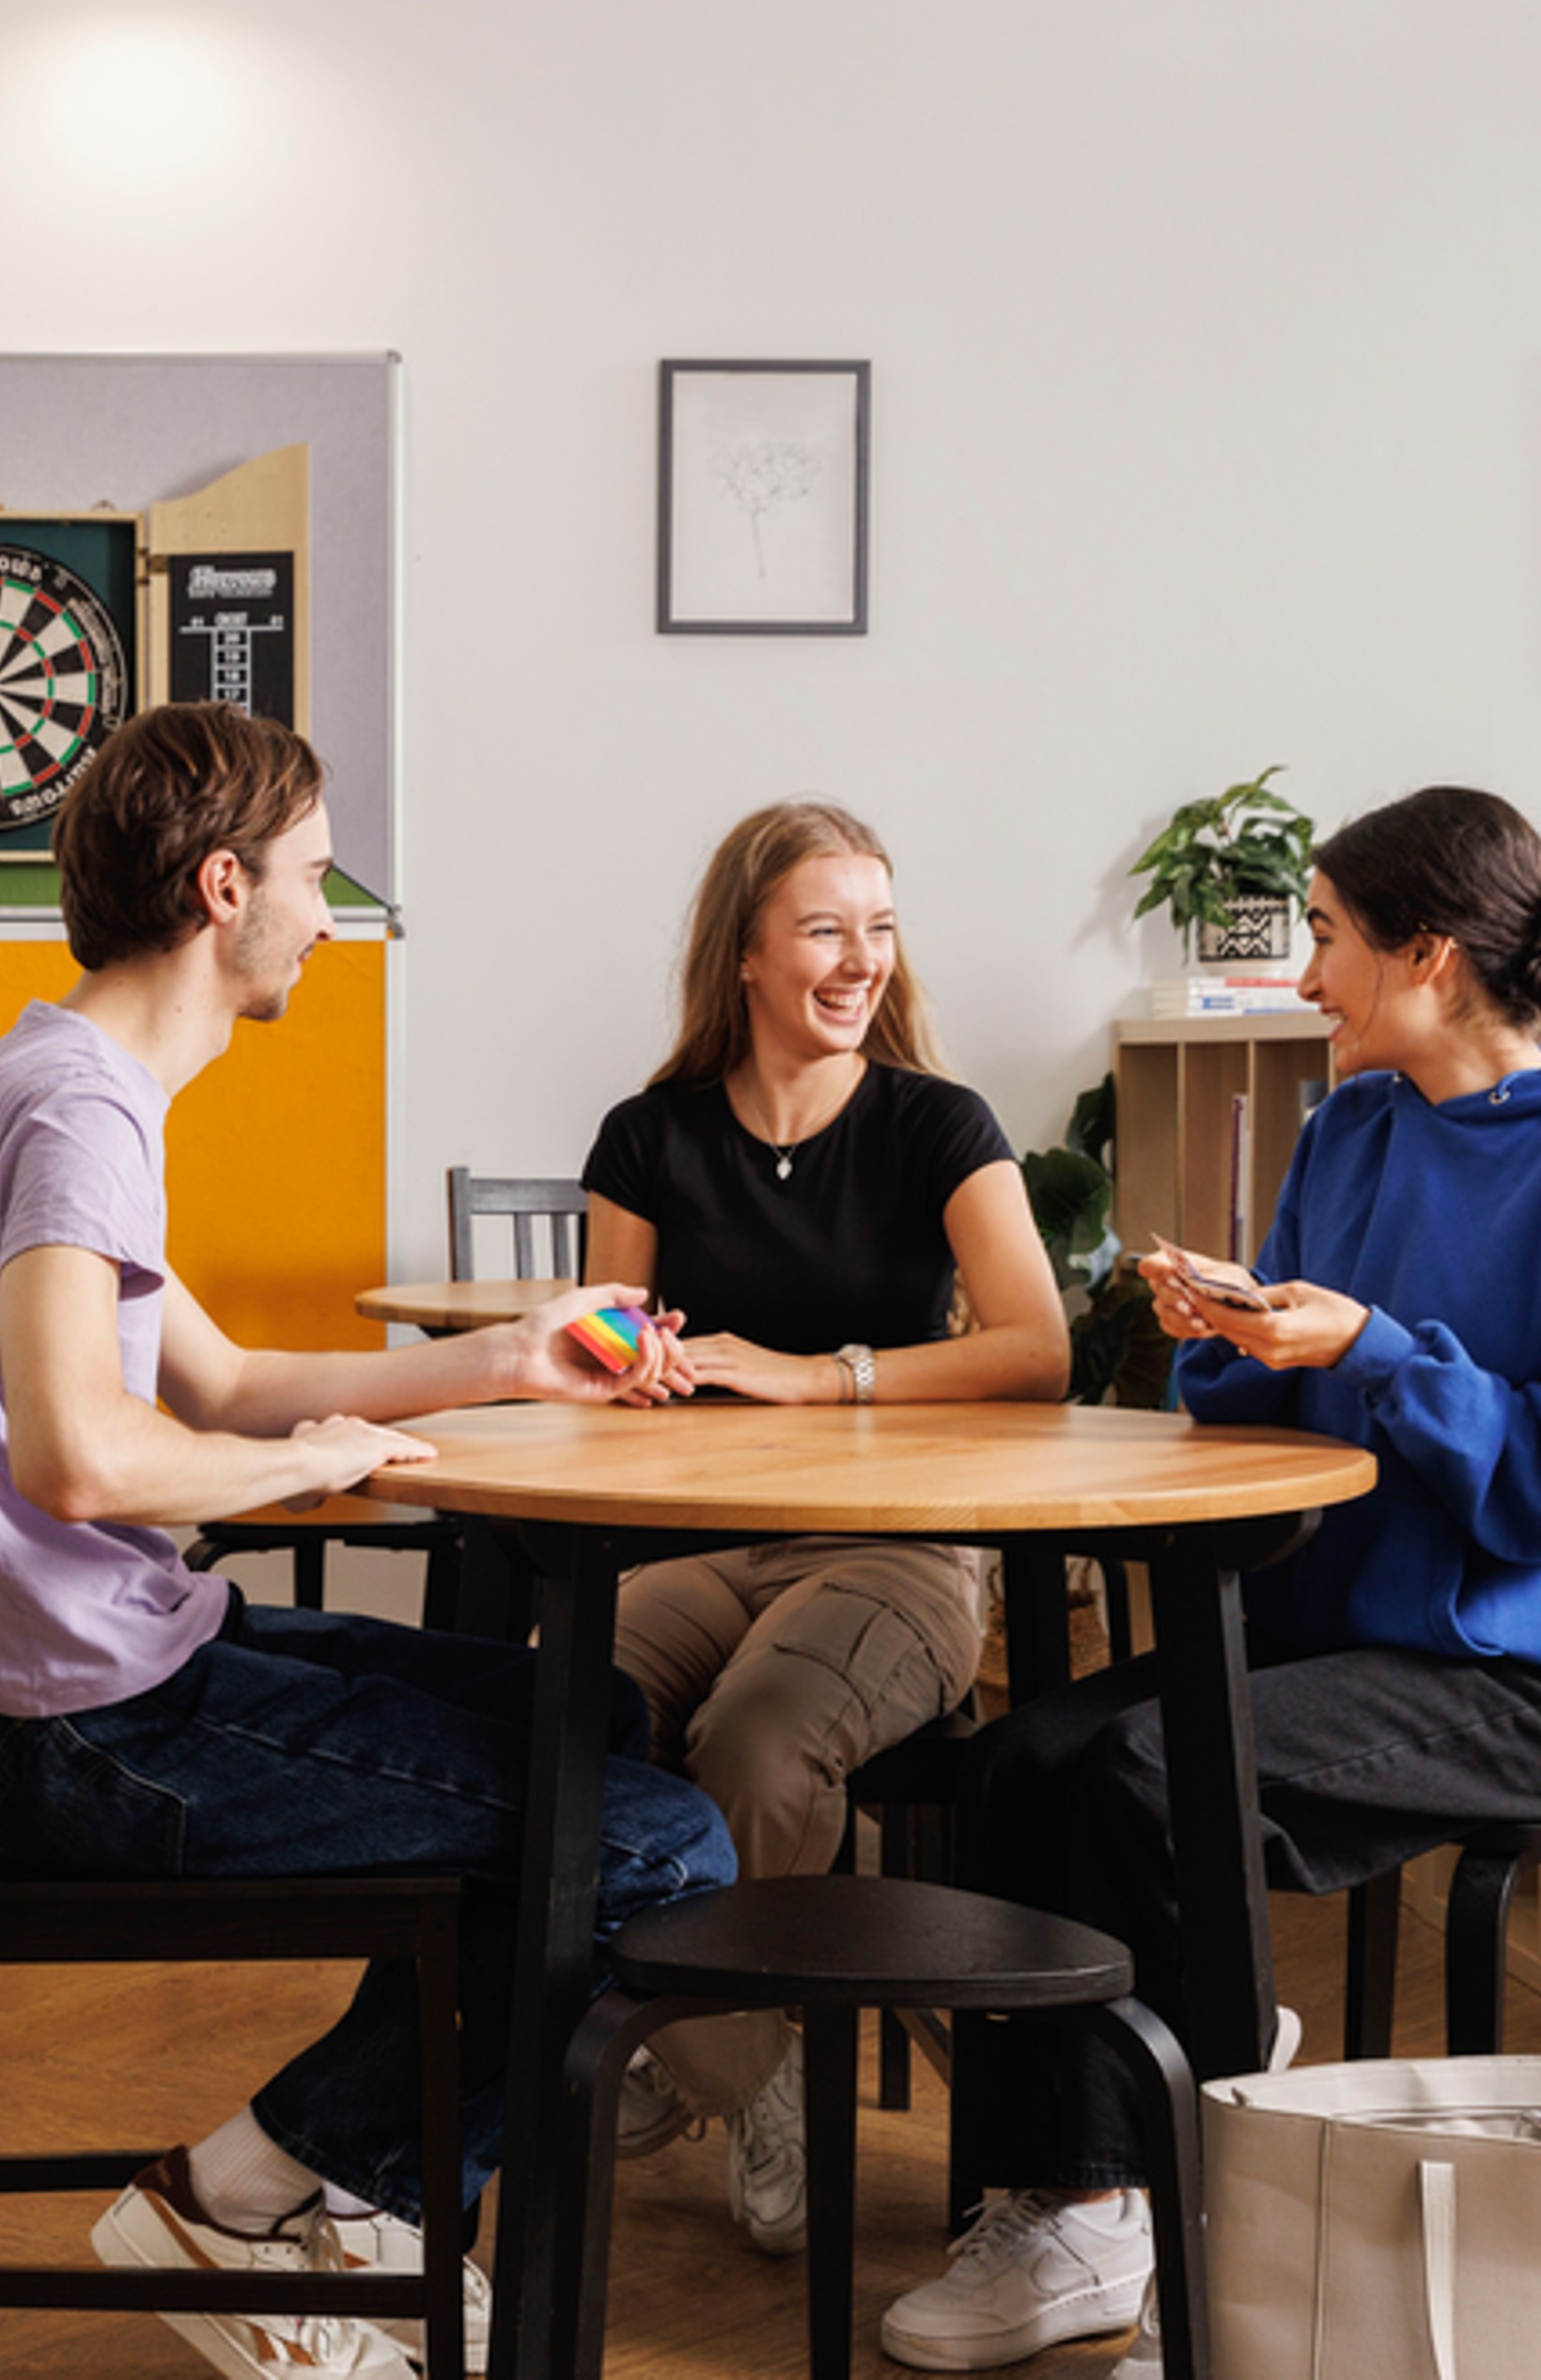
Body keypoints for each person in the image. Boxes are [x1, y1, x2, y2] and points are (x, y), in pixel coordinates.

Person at [0, 700, 742, 2380]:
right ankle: (266, 2188)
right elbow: (80, 1455)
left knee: (598, 1729)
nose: (326, 920)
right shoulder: (80, 1120)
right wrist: (318, 1469)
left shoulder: (43, 1076)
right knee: (651, 1845)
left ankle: (322, 2190)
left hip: (96, 1675)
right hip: (85, 1736)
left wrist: (503, 1359)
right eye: (314, 878)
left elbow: (231, 1377)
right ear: (218, 889)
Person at [879, 787, 1541, 2375]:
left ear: (1431, 954)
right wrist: (1236, 1332)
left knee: (1155, 1782)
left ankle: (1195, 2207)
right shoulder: (1352, 1124)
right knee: (1018, 1769)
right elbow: (1286, 1410)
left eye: (1331, 942)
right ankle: (1065, 2200)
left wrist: (1375, 1346)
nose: (1305, 979)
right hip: (1348, 1627)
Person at [581, 801, 1069, 2254]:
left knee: (760, 1738)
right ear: (744, 952)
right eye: (823, 928)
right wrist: (629, 1357)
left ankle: (672, 2049)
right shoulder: (648, 1135)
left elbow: (1037, 1346)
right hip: (701, 1546)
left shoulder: (938, 1124)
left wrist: (819, 1376)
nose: (860, 959)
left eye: (880, 926)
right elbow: (611, 1341)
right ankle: (748, 2059)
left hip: (897, 1550)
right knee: (563, 1694)